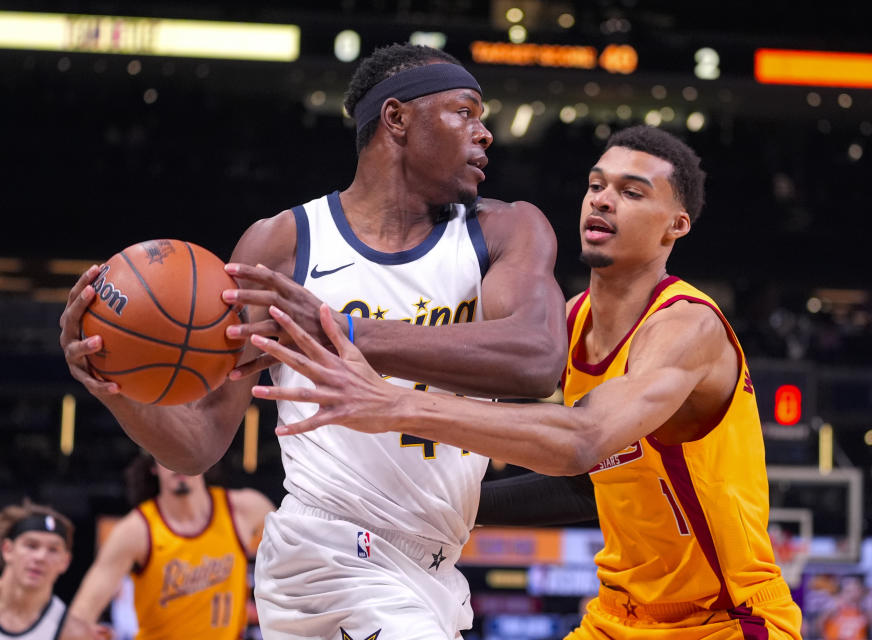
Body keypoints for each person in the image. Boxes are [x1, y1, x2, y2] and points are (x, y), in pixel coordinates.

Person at [58, 43, 566, 638]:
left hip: (435, 567)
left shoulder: (506, 230)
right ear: (396, 119)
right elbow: (197, 445)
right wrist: (112, 384)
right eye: (465, 111)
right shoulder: (284, 245)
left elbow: (536, 360)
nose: (485, 134)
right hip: (327, 552)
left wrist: (342, 328)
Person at [252, 124, 804, 639]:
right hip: (616, 615)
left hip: (725, 617)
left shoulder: (687, 326)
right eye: (596, 185)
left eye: (632, 193)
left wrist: (394, 404)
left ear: (675, 225)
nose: (602, 199)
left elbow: (581, 441)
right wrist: (434, 506)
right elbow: (587, 482)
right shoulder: (569, 323)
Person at [68, 453, 274, 640]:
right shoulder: (135, 530)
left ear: (206, 461)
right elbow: (81, 614)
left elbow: (295, 560)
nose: (178, 462)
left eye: (185, 452)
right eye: (167, 453)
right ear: (153, 466)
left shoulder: (245, 509)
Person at [0, 501, 108, 640]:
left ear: (65, 561)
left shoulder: (75, 633)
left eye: (53, 550)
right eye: (31, 546)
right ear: (7, 550)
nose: (41, 557)